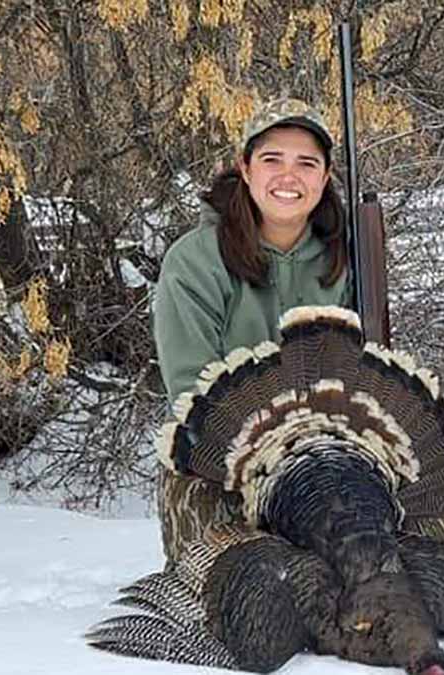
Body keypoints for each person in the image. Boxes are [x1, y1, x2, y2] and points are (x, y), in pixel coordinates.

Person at [151, 97, 352, 565]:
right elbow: (190, 392)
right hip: (216, 462)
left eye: (306, 163)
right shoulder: (194, 261)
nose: (289, 177)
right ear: (244, 168)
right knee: (251, 589)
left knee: (413, 573)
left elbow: (368, 381)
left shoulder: (347, 257)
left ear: (324, 178)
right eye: (271, 160)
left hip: (326, 457)